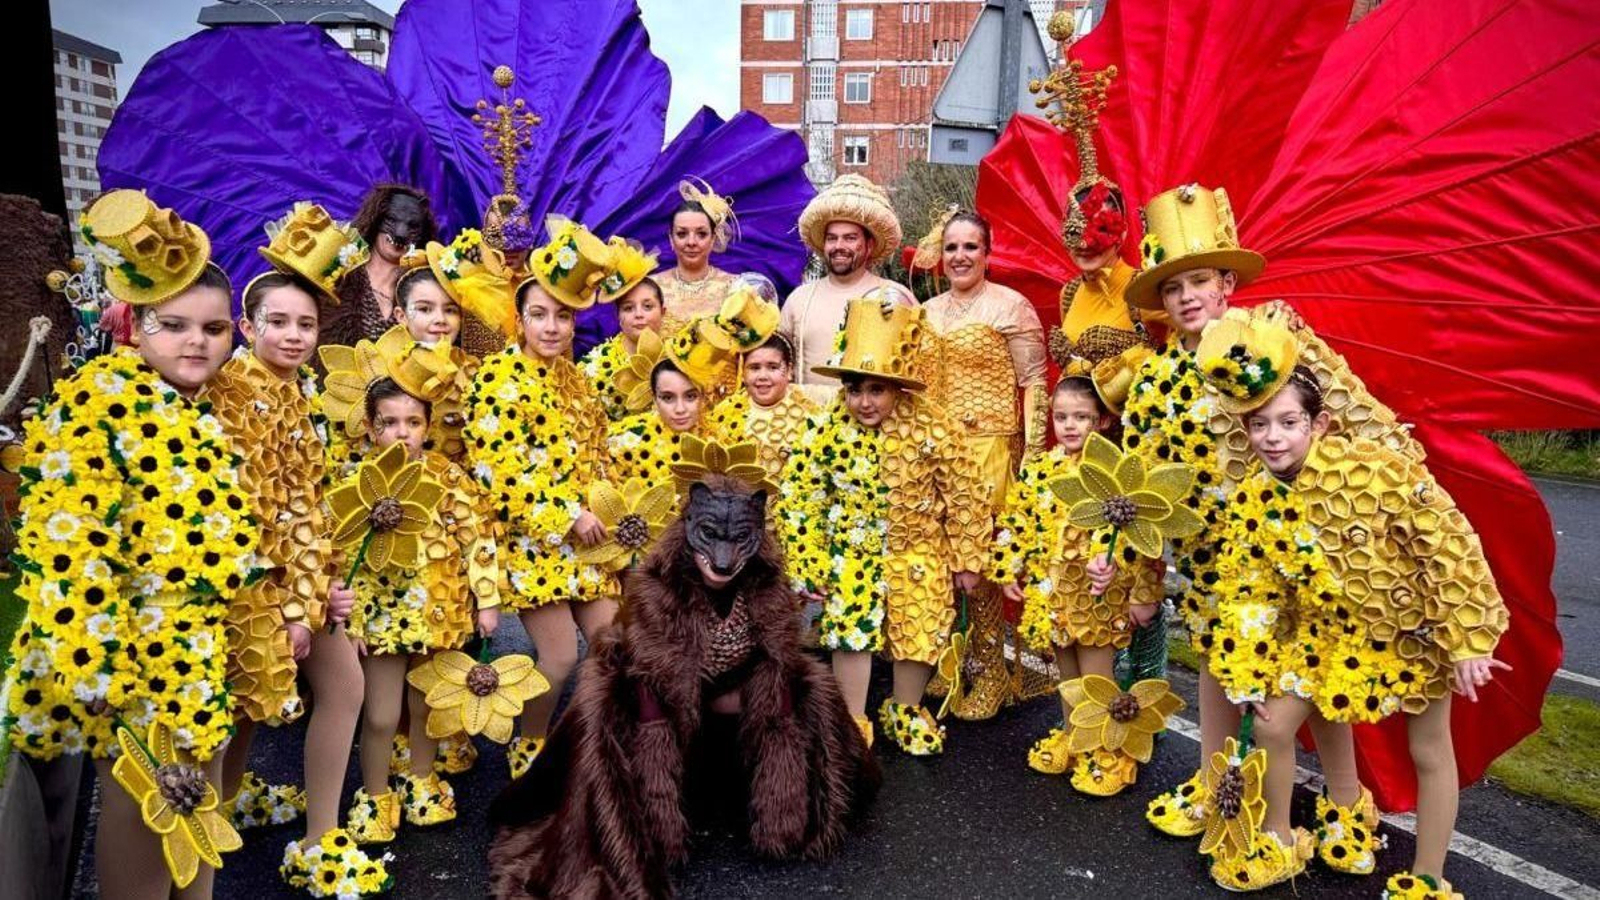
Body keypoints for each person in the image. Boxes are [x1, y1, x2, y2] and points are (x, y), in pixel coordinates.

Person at [1120, 184, 1421, 841]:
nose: (1187, 296)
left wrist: (1397, 496)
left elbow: (1350, 411)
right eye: (1172, 288)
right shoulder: (1150, 382)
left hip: (1295, 548)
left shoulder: (1275, 334)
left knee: (1311, 670)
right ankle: (1215, 784)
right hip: (1209, 561)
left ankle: (1346, 800)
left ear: (1226, 281)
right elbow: (1139, 490)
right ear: (1160, 302)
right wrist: (1142, 582)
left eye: (1199, 279)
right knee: (1217, 664)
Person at [1183, 317, 1509, 894]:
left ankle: (1428, 876)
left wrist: (1467, 639)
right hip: (1326, 636)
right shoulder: (1256, 499)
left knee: (1429, 749)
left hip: (1409, 632)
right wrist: (1249, 666)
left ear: (1320, 424)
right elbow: (1252, 590)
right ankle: (1280, 841)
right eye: (1259, 426)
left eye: (1288, 423)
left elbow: (1448, 544)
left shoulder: (1379, 472)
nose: (1273, 438)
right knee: (1273, 725)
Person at [2, 190, 262, 898]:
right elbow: (69, 552)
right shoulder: (97, 401)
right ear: (133, 323)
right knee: (147, 832)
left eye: (213, 329)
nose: (197, 343)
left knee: (196, 832)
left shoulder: (199, 408)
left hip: (198, 656)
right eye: (173, 325)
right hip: (132, 668)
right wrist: (104, 680)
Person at [486, 437, 878, 900]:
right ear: (690, 525)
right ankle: (651, 826)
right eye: (711, 538)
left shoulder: (767, 588)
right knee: (607, 708)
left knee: (805, 687)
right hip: (655, 696)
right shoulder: (658, 590)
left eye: (739, 542)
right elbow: (652, 685)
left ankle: (786, 817)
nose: (725, 559)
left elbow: (775, 665)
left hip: (730, 686)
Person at [779, 296, 991, 754]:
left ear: (898, 388)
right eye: (855, 390)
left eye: (877, 390)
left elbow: (965, 495)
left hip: (919, 548)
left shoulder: (936, 427)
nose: (864, 402)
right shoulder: (824, 431)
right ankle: (851, 718)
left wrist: (966, 558)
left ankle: (905, 709)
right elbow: (801, 500)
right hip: (851, 551)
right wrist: (810, 560)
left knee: (920, 626)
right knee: (850, 630)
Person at [463, 219, 623, 779]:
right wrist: (565, 515)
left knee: (615, 644)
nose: (551, 327)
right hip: (536, 544)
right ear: (519, 318)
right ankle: (529, 748)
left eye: (562, 315)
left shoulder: (576, 381)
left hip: (588, 542)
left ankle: (591, 741)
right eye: (539, 314)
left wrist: (607, 511)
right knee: (558, 657)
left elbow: (599, 456)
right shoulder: (497, 377)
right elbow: (497, 472)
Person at [342, 377, 503, 851]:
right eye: (389, 423)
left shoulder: (448, 476)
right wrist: (348, 622)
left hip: (440, 614)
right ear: (372, 429)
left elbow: (477, 538)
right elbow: (340, 558)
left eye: (413, 422)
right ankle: (374, 794)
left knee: (428, 706)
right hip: (381, 620)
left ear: (428, 426)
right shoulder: (358, 481)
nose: (402, 432)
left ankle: (420, 779)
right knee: (380, 714)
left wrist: (487, 600)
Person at [990, 375, 1166, 791]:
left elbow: (1144, 539)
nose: (1069, 426)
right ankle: (1074, 736)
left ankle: (1106, 753)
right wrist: (1008, 567)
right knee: (1066, 673)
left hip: (1100, 595)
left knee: (1096, 677)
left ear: (1103, 421)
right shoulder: (1044, 469)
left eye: (1081, 417)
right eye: (1061, 416)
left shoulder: (1116, 472)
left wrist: (1142, 593)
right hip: (1055, 594)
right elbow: (1020, 522)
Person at [916, 209, 1049, 721]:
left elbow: (1035, 383)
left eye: (971, 247)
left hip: (990, 447)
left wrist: (1033, 454)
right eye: (951, 247)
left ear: (987, 254)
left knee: (984, 561)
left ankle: (992, 671)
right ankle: (955, 659)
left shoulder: (1010, 306)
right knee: (942, 556)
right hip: (935, 451)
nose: (960, 257)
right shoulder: (927, 312)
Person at [780, 175, 910, 401]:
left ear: (869, 245)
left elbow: (913, 368)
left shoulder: (895, 296)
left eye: (850, 238)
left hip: (871, 428)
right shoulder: (799, 299)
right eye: (832, 238)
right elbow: (778, 363)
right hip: (807, 426)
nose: (839, 246)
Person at [323, 183, 439, 348]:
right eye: (391, 220)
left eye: (412, 226)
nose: (401, 233)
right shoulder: (335, 273)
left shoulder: (432, 288)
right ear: (375, 220)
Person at [708, 332, 818, 484]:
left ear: (789, 371)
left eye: (773, 367)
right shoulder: (723, 415)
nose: (763, 376)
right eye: (754, 368)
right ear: (743, 372)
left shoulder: (810, 417)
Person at [657, 178, 740, 335]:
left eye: (701, 234)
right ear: (671, 239)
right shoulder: (652, 288)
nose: (691, 242)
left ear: (713, 239)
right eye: (682, 234)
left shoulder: (735, 288)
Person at [581, 276, 666, 421]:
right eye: (628, 308)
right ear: (618, 316)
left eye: (647, 307)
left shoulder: (678, 357)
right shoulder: (593, 366)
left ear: (662, 312)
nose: (639, 314)